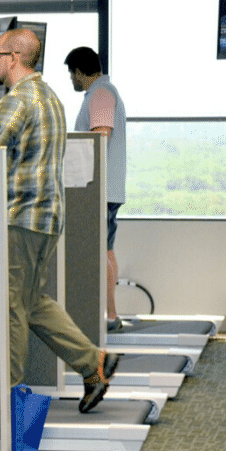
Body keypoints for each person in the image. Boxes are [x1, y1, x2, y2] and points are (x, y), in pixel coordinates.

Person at [0, 26, 118, 412]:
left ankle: (8, 404)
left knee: (11, 307)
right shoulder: (51, 97)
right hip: (47, 218)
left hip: (19, 217)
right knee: (33, 302)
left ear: (14, 59)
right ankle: (93, 363)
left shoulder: (16, 100)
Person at [64, 46, 127, 332]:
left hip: (99, 191)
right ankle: (111, 314)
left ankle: (110, 316)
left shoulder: (101, 94)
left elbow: (100, 136)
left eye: (71, 75)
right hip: (105, 190)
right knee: (107, 250)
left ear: (80, 72)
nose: (71, 81)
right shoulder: (101, 92)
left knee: (100, 252)